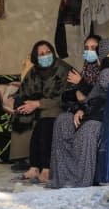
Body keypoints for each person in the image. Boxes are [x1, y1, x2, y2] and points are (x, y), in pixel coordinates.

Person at [50, 37, 109, 188]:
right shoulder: (108, 69)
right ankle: (63, 178)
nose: (99, 61)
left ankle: (81, 181)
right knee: (63, 120)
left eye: (102, 57)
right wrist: (81, 109)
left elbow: (106, 85)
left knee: (89, 130)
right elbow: (94, 95)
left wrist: (107, 62)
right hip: (95, 112)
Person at [12, 40, 72, 183]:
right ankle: (33, 167)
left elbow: (64, 96)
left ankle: (46, 168)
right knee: (25, 116)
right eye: (41, 54)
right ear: (36, 57)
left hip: (60, 106)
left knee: (45, 123)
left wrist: (38, 103)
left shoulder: (63, 69)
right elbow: (24, 90)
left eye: (48, 52)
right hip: (40, 106)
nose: (45, 56)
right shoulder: (35, 71)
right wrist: (21, 103)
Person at [63, 34, 102, 109]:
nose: (89, 51)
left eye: (93, 48)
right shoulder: (87, 64)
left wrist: (80, 82)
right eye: (86, 48)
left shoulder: (104, 67)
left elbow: (98, 95)